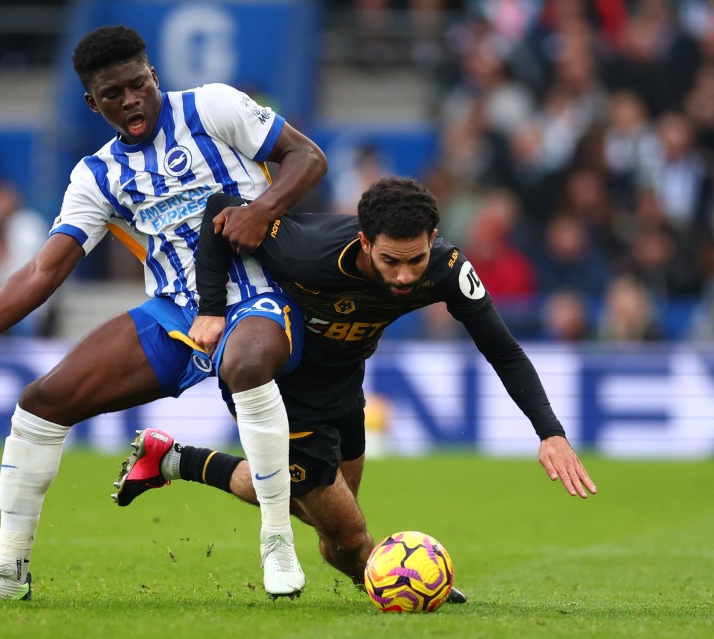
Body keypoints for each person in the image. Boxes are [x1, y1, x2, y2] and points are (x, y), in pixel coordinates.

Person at [0, 25, 326, 601]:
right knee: (41, 403)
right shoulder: (96, 175)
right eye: (111, 95)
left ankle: (276, 542)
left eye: (136, 85)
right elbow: (42, 272)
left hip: (259, 298)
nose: (129, 102)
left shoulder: (214, 107)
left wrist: (265, 208)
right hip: (174, 315)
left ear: (153, 76)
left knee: (248, 364)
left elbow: (309, 156)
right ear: (90, 102)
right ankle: (8, 571)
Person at [112, 177, 596, 594]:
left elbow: (504, 350)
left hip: (344, 384)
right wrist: (212, 307)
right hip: (282, 387)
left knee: (315, 512)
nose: (405, 277)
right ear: (365, 242)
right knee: (347, 536)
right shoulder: (307, 250)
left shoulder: (447, 269)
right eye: (390, 261)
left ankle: (174, 459)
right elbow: (221, 211)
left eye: (416, 260)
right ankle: (405, 583)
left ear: (433, 237)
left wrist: (549, 431)